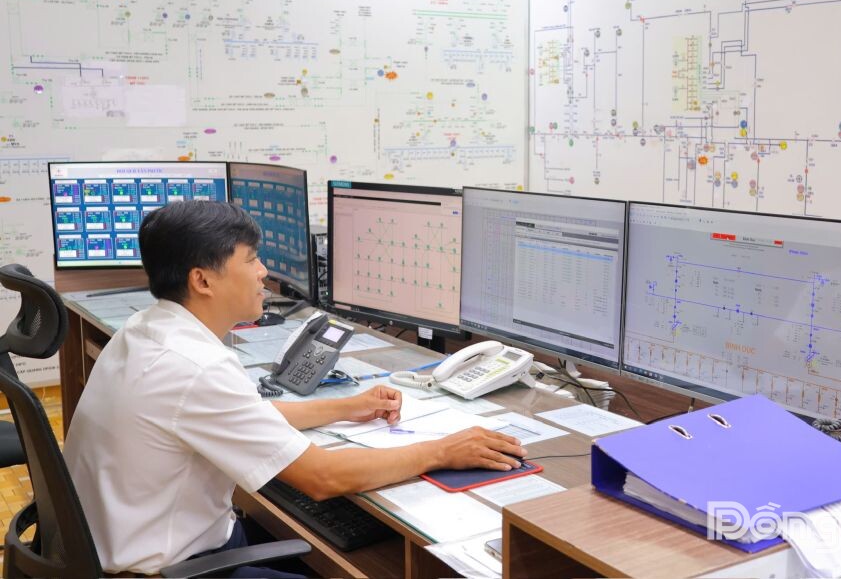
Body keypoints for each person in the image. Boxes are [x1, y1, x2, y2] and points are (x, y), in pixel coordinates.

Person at [63, 200, 526, 577]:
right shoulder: (196, 367)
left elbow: (240, 414)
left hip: (105, 548)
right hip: (168, 568)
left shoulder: (149, 329)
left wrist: (346, 407)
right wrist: (442, 451)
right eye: (251, 260)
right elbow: (324, 479)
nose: (263, 272)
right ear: (202, 280)